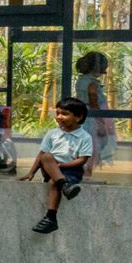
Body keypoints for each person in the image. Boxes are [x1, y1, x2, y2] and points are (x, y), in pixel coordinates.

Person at [23, 96, 95, 235]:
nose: (59, 117)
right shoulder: (52, 134)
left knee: (53, 182)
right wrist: (31, 172)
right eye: (58, 113)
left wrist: (64, 165)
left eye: (65, 114)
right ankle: (65, 186)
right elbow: (41, 155)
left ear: (78, 117)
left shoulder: (85, 137)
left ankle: (51, 218)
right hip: (51, 167)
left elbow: (82, 160)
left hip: (71, 170)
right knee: (47, 156)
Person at [74, 51, 119, 168]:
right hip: (92, 117)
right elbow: (93, 99)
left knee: (85, 145)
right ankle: (88, 172)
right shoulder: (92, 83)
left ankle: (85, 171)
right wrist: (100, 121)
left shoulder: (81, 80)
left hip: (83, 114)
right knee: (93, 144)